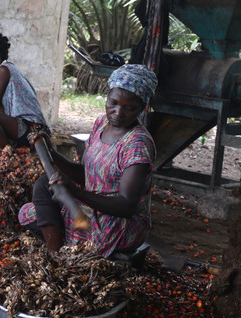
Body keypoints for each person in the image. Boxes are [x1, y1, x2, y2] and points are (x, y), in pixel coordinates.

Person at [18, 64, 158, 257]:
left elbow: (126, 206)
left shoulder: (137, 143)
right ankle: (60, 252)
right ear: (107, 97)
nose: (118, 112)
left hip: (119, 223)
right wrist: (50, 150)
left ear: (142, 108)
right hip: (91, 206)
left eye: (129, 108)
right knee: (36, 198)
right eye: (113, 103)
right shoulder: (101, 124)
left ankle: (57, 258)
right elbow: (86, 174)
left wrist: (75, 192)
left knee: (44, 217)